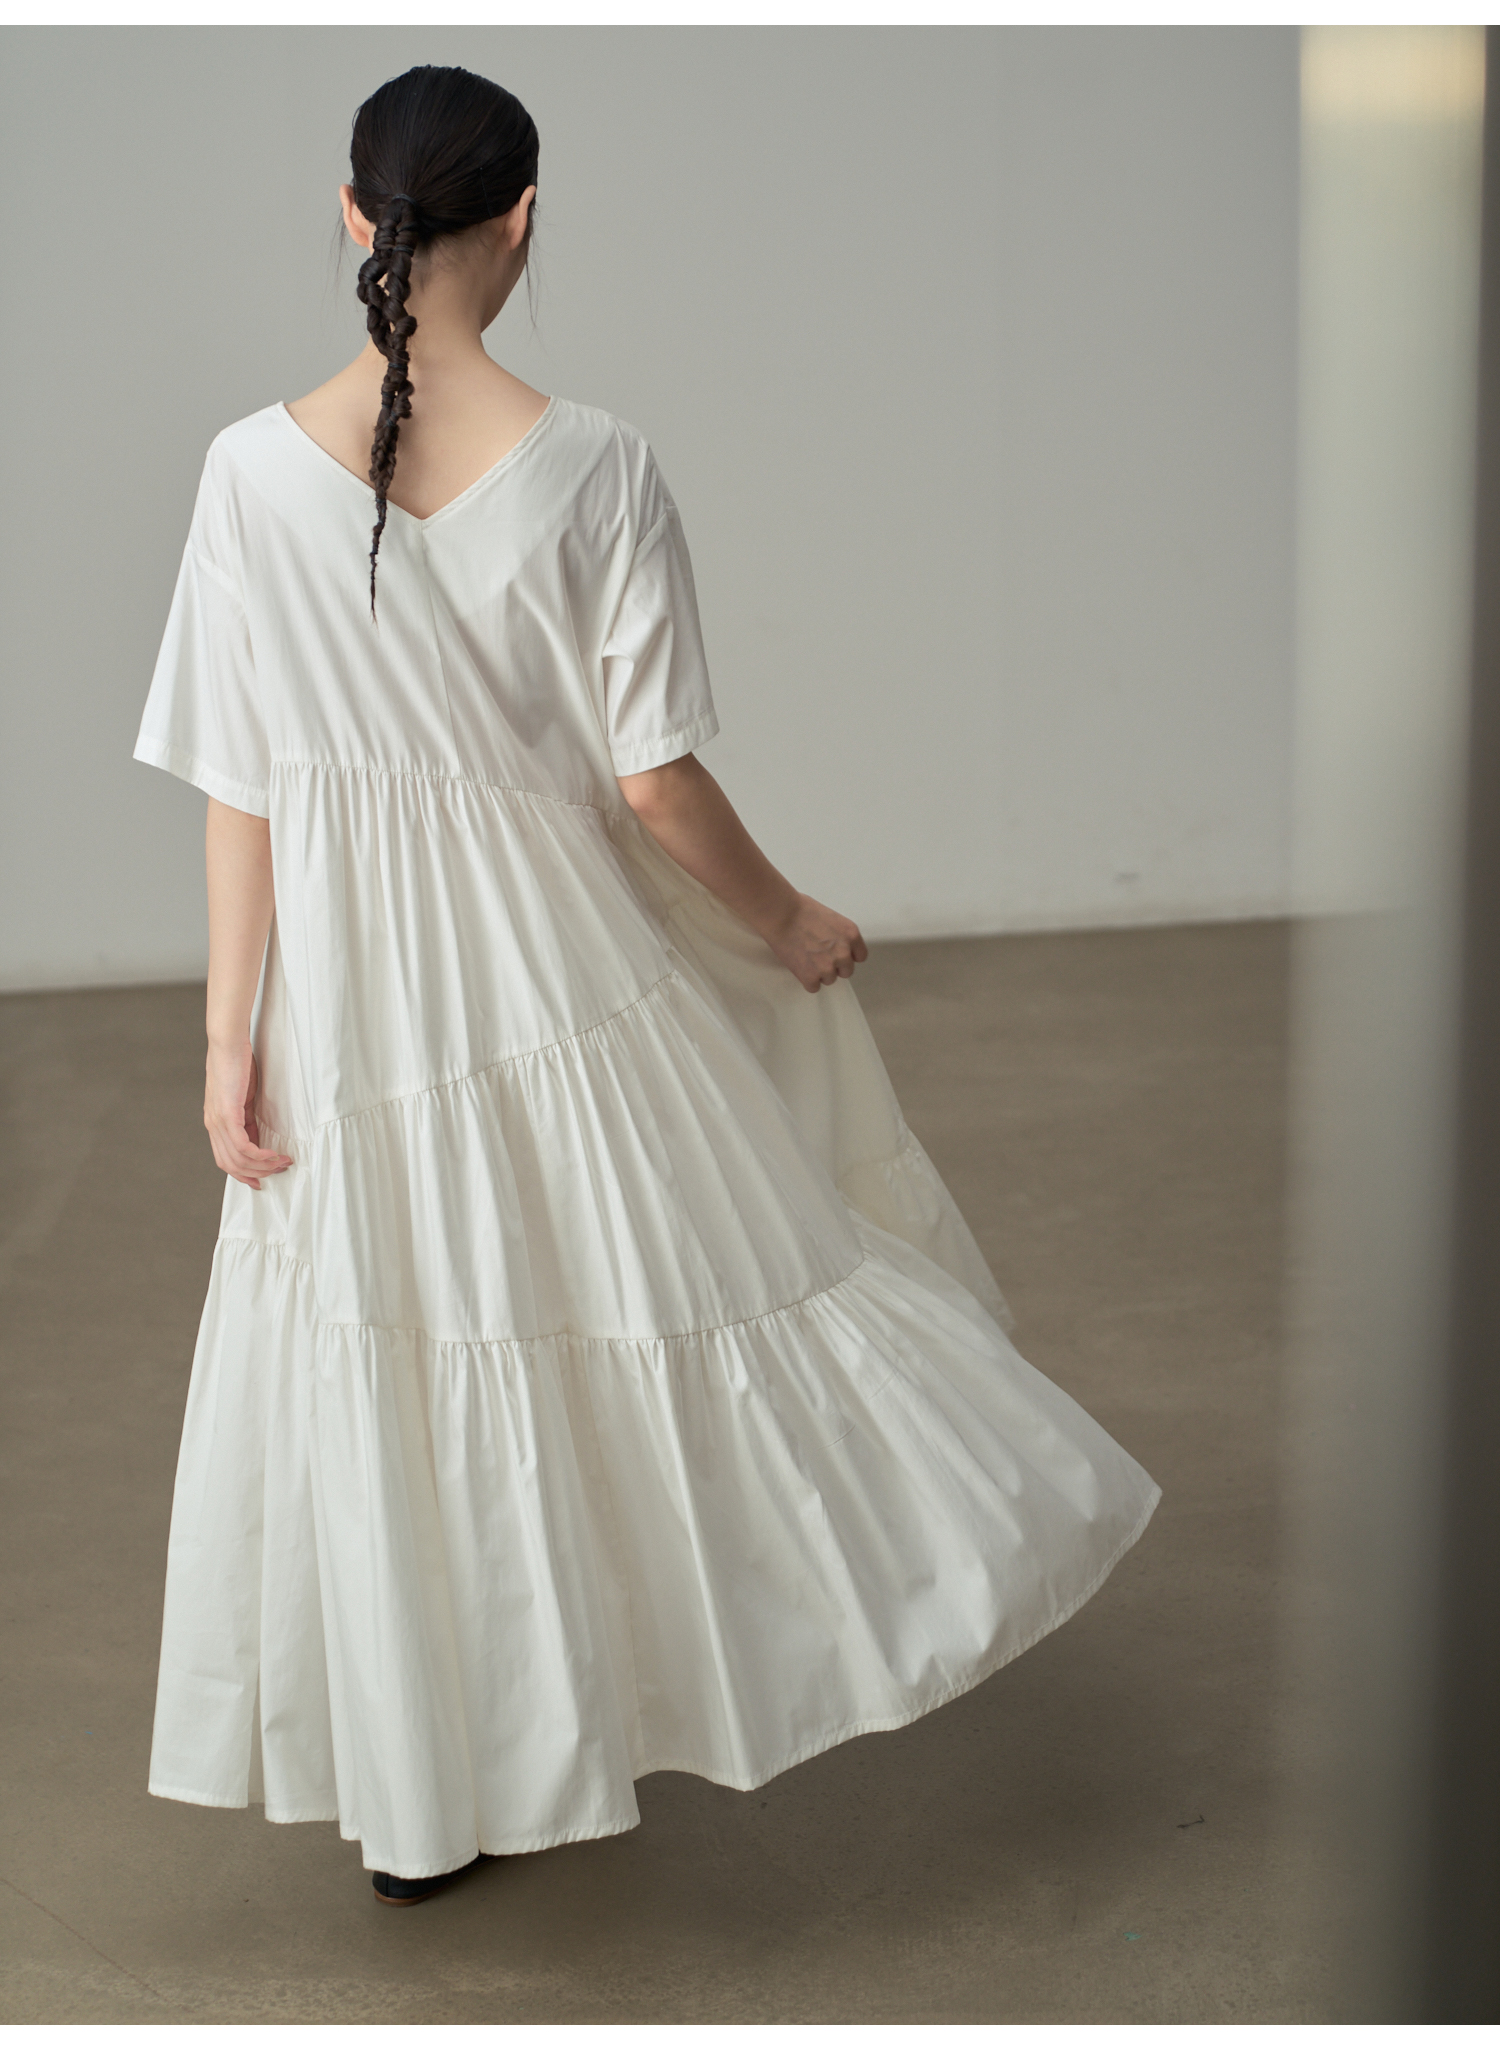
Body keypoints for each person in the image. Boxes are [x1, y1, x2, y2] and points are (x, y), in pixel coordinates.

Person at [133, 64, 1162, 1909]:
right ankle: (602, 1705)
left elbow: (245, 784)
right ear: (524, 220)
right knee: (611, 1301)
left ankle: (434, 1799)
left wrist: (229, 1040)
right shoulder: (596, 462)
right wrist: (791, 923)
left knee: (402, 1345)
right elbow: (656, 782)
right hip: (561, 990)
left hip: (347, 1011)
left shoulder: (240, 473)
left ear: (350, 215)